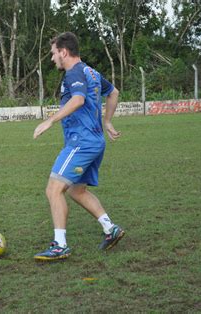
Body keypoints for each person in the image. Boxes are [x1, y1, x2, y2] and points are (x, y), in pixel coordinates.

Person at [33, 32, 124, 261]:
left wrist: (50, 120)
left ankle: (60, 245)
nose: (52, 58)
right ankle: (110, 228)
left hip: (81, 142)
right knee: (77, 190)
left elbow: (78, 99)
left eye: (54, 53)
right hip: (96, 142)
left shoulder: (73, 72)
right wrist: (108, 121)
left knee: (53, 189)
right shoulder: (91, 72)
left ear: (64, 52)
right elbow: (113, 92)